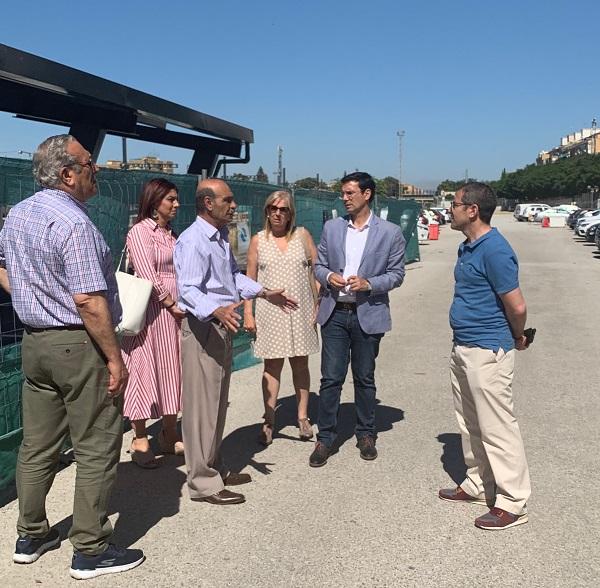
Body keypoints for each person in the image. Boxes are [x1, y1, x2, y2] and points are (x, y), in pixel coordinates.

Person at [0, 134, 144, 579]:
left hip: (36, 342)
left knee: (37, 444)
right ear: (67, 174)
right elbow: (88, 300)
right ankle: (91, 548)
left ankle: (31, 532)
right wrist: (115, 359)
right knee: (97, 445)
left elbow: (7, 271)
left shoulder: (19, 214)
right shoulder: (75, 224)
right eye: (88, 163)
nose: (95, 169)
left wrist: (35, 298)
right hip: (79, 343)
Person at [174, 178, 298, 505]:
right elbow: (187, 290)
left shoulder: (218, 240)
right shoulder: (193, 241)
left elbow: (231, 278)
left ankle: (214, 467)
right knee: (202, 407)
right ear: (207, 204)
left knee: (216, 402)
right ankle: (202, 483)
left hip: (221, 325)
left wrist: (264, 292)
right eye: (227, 200)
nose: (233, 205)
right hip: (203, 328)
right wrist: (216, 309)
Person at [438, 182, 532, 530]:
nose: (451, 208)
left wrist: (517, 335)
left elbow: (517, 305)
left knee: (497, 427)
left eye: (456, 203)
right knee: (470, 423)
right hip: (463, 345)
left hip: (487, 349)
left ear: (472, 210)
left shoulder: (494, 250)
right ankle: (479, 482)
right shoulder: (468, 247)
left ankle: (513, 502)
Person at [309, 172, 406, 467]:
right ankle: (325, 438)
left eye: (350, 193)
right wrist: (328, 277)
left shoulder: (390, 233)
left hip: (368, 314)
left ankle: (366, 433)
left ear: (367, 194)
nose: (345, 198)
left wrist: (369, 284)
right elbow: (319, 265)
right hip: (335, 313)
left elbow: (397, 274)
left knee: (364, 378)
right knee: (331, 379)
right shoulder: (332, 228)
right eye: (343, 193)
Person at [243, 190, 320, 445]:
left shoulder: (302, 236)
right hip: (270, 312)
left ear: (291, 213)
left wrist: (318, 302)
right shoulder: (258, 240)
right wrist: (248, 312)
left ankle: (302, 417)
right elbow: (249, 280)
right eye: (273, 208)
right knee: (272, 367)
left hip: (300, 311)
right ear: (267, 211)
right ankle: (269, 420)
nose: (277, 213)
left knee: (301, 365)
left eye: (283, 209)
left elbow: (315, 271)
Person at [121, 178, 187, 468]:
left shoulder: (172, 234)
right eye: (170, 199)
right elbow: (147, 272)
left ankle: (169, 431)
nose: (176, 204)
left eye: (176, 199)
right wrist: (170, 302)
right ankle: (139, 437)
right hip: (150, 313)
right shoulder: (140, 232)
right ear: (154, 200)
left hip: (174, 315)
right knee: (143, 371)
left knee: (172, 369)